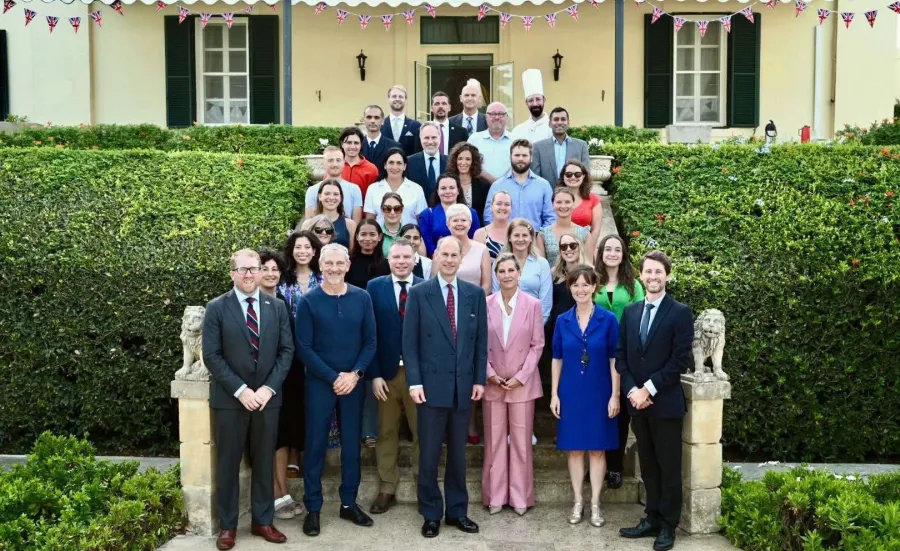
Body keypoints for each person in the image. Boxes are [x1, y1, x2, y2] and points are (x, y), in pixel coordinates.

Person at [203, 249, 294, 550]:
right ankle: (228, 526)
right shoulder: (216, 307)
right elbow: (212, 356)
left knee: (265, 460)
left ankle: (263, 521)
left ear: (259, 272)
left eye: (253, 269)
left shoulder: (276, 306)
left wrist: (267, 389)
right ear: (232, 273)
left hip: (268, 399)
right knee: (228, 462)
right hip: (231, 400)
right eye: (242, 269)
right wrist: (242, 390)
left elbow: (286, 351)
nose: (248, 274)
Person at [403, 236, 488, 539]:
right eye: (445, 254)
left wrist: (479, 379)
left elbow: (481, 343)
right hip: (429, 386)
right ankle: (430, 513)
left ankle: (457, 511)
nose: (450, 259)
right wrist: (414, 381)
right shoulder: (419, 293)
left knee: (458, 456)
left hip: (463, 386)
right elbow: (409, 343)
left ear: (461, 258)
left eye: (455, 255)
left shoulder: (474, 294)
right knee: (428, 455)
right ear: (436, 256)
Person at [296, 243, 378, 537]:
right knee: (316, 444)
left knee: (352, 445)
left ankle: (348, 503)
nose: (333, 268)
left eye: (339, 264)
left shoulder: (362, 298)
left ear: (347, 266)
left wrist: (355, 374)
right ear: (320, 265)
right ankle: (313, 508)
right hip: (321, 383)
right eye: (328, 263)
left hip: (353, 383)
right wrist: (334, 376)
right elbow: (303, 347)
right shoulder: (309, 301)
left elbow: (370, 341)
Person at [617, 251, 693, 551]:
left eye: (658, 272)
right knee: (647, 465)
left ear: (667, 275)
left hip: (665, 404)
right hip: (637, 404)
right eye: (648, 272)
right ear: (641, 276)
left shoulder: (680, 312)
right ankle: (650, 517)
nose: (652, 277)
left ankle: (667, 526)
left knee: (668, 467)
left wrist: (648, 389)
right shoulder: (632, 312)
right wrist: (633, 391)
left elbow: (680, 360)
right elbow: (621, 357)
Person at [550, 265, 620, 529]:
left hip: (600, 390)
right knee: (575, 449)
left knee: (597, 450)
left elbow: (615, 359)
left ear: (594, 287)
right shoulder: (562, 320)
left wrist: (615, 395)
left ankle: (595, 503)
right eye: (575, 285)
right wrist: (554, 394)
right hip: (571, 391)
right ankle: (578, 500)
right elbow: (556, 358)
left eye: (585, 284)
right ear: (570, 288)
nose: (580, 289)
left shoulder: (608, 319)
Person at [482, 253, 544, 517]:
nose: (506, 275)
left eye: (511, 270)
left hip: (523, 384)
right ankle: (495, 496)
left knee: (520, 442)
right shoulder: (485, 303)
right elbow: (477, 344)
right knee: (494, 442)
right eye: (501, 271)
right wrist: (489, 373)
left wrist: (522, 376)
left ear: (519, 273)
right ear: (496, 275)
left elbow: (537, 344)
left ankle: (520, 497)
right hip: (493, 382)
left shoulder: (533, 304)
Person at [366, 238, 425, 515]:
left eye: (406, 257)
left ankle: (423, 487)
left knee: (422, 433)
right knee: (386, 431)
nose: (401, 262)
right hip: (386, 375)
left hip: (419, 375)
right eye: (395, 257)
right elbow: (369, 334)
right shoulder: (374, 288)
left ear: (415, 259)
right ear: (388, 259)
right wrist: (374, 374)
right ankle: (387, 486)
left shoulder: (427, 287)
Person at [593, 234, 645, 491]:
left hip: (625, 355)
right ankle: (596, 463)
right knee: (598, 409)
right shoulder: (593, 281)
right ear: (601, 252)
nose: (612, 253)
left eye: (617, 249)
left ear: (623, 254)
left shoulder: (634, 286)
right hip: (596, 355)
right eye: (608, 249)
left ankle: (615, 466)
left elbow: (639, 319)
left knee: (621, 413)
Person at [259, 250, 306, 522]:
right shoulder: (247, 303)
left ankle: (281, 491)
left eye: (275, 269)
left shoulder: (281, 303)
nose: (270, 273)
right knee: (271, 438)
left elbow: (288, 343)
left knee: (284, 435)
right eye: (264, 268)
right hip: (262, 381)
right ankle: (276, 495)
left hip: (288, 378)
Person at [540, 234, 589, 402]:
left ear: (580, 246)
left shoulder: (590, 272)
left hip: (581, 327)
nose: (568, 249)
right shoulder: (554, 273)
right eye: (563, 246)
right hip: (557, 327)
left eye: (572, 245)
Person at [483, 139, 555, 230]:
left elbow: (551, 217)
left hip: (535, 240)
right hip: (504, 240)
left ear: (531, 158)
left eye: (524, 155)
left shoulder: (544, 186)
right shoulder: (497, 186)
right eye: (517, 155)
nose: (520, 158)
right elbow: (488, 216)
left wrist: (540, 238)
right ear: (510, 157)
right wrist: (501, 235)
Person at [493, 218, 552, 324]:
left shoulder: (542, 264)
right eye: (516, 235)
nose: (520, 239)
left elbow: (545, 302)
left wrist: (536, 326)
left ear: (531, 238)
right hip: (504, 323)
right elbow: (495, 295)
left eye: (525, 235)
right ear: (509, 238)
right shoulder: (499, 262)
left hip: (534, 323)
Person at [418, 174, 481, 257]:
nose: (448, 191)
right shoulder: (426, 215)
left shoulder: (471, 213)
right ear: (437, 191)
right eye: (443, 188)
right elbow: (427, 243)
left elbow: (475, 239)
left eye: (452, 188)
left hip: (467, 258)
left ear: (458, 190)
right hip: (439, 260)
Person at [364, 148, 428, 227]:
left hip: (408, 237)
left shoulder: (416, 189)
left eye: (399, 163)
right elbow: (370, 222)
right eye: (391, 163)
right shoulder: (373, 189)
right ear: (385, 165)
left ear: (404, 166)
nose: (395, 167)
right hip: (381, 238)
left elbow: (422, 221)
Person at [530, 107, 591, 186]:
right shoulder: (538, 147)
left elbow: (586, 175)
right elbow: (535, 178)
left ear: (568, 123)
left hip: (574, 195)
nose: (559, 122)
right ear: (549, 124)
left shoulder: (581, 146)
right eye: (556, 119)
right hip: (548, 196)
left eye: (563, 119)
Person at [305, 146, 364, 223]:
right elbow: (309, 223)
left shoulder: (354, 189)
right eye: (330, 160)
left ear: (343, 163)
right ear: (323, 163)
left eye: (338, 160)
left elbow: (356, 223)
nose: (335, 164)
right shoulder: (312, 190)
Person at [536, 187, 593, 267]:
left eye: (567, 202)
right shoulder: (543, 234)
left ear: (574, 205)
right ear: (553, 205)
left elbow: (589, 266)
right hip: (552, 278)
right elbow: (541, 267)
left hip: (578, 278)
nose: (563, 206)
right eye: (559, 202)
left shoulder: (585, 233)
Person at [446, 203, 491, 297]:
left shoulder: (482, 249)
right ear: (448, 224)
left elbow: (487, 286)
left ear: (470, 224)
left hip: (474, 304)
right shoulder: (441, 248)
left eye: (463, 220)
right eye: (455, 220)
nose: (459, 224)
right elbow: (434, 280)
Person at [557, 159, 603, 243]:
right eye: (568, 174)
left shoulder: (594, 199)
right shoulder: (555, 199)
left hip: (585, 246)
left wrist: (588, 250)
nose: (573, 177)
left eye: (577, 174)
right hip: (560, 246)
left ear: (583, 176)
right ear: (563, 176)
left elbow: (596, 230)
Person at [447, 142, 491, 224]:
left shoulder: (483, 186)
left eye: (468, 159)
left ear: (473, 162)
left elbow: (485, 214)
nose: (463, 163)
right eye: (460, 158)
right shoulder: (447, 182)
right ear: (455, 161)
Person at [468, 102, 513, 182]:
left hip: (509, 187)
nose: (496, 117)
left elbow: (518, 163)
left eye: (501, 114)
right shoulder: (474, 139)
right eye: (492, 114)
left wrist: (502, 181)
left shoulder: (515, 140)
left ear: (506, 117)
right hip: (480, 187)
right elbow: (470, 163)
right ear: (486, 117)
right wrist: (491, 180)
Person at [406, 122, 448, 200]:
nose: (430, 142)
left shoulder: (450, 162)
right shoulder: (409, 162)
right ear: (420, 138)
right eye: (426, 138)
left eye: (434, 137)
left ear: (440, 138)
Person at [347, 219, 391, 291]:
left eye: (372, 234)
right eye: (363, 234)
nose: (367, 239)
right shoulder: (348, 262)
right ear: (357, 236)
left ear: (379, 237)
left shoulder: (387, 264)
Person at [511, 69, 552, 143]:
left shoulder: (553, 129)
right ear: (526, 103)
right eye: (531, 100)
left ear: (544, 100)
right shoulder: (518, 131)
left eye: (538, 99)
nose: (535, 104)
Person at [360, 105, 401, 180]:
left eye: (376, 117)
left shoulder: (394, 146)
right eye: (369, 117)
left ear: (382, 121)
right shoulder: (357, 146)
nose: (373, 121)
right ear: (363, 120)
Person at [313, 180, 357, 249]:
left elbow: (352, 253)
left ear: (341, 197)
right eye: (327, 193)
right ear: (320, 196)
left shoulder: (350, 224)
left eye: (336, 194)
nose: (331, 197)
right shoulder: (308, 224)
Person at [339, 126, 380, 201]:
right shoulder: (335, 166)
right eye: (349, 142)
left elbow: (374, 198)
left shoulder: (371, 169)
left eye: (356, 143)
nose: (352, 146)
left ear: (361, 145)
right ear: (342, 144)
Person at [382, 85, 421, 156]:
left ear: (406, 100)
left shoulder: (416, 126)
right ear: (388, 99)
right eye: (394, 96)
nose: (397, 99)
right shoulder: (381, 125)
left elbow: (418, 151)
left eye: (401, 97)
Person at [426, 91, 468, 156]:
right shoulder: (422, 131)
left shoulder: (461, 132)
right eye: (437, 104)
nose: (440, 106)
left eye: (444, 103)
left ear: (449, 107)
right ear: (431, 108)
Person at [473, 190, 512, 259]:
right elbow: (477, 263)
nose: (502, 207)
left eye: (507, 204)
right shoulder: (480, 234)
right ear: (491, 206)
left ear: (511, 208)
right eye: (499, 204)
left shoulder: (517, 231)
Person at [378, 192, 406, 258]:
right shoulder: (376, 234)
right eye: (387, 208)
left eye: (397, 208)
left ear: (402, 210)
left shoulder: (409, 233)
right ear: (382, 210)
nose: (392, 212)